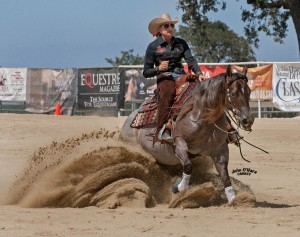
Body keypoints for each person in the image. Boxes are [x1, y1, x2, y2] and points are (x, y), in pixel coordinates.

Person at [143, 13, 205, 143]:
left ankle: (220, 126)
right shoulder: (153, 47)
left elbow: (190, 60)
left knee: (201, 90)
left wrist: (199, 73)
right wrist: (158, 69)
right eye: (166, 25)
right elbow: (146, 72)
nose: (170, 27)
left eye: (172, 25)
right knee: (168, 92)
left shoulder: (181, 43)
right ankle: (162, 129)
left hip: (182, 75)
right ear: (160, 29)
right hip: (165, 77)